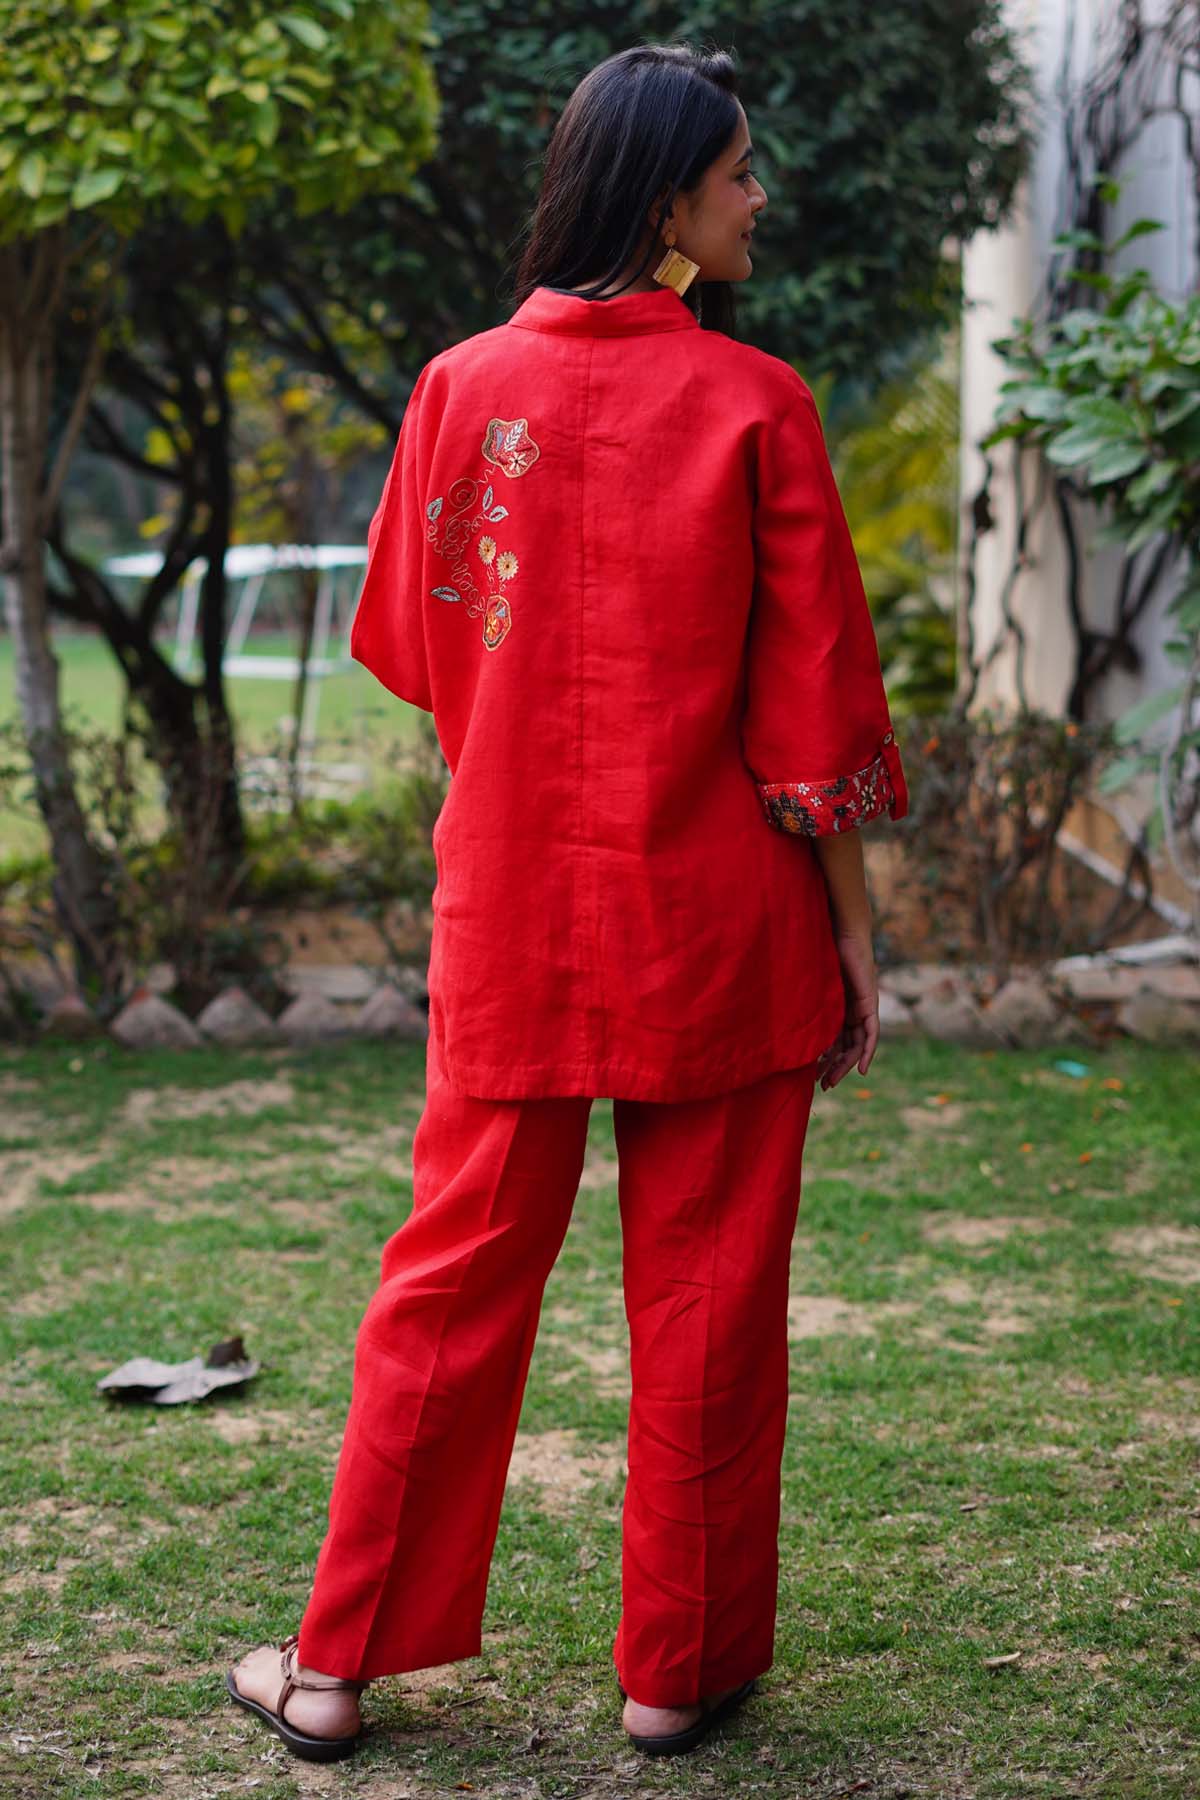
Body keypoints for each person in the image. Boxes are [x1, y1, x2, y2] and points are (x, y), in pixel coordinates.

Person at [226, 40, 908, 1765]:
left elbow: (414, 646)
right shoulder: (761, 406)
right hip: (724, 927)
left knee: (447, 1287)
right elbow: (815, 725)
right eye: (741, 172)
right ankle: (674, 1673)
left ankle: (330, 1667)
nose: (762, 200)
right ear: (667, 197)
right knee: (709, 1293)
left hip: (517, 914)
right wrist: (858, 937)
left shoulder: (461, 387)